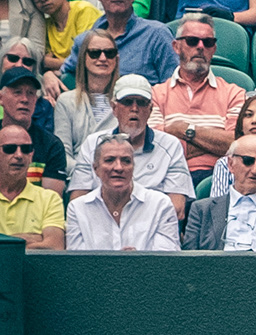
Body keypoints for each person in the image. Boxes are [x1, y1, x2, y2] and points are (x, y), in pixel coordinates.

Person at [69, 71, 192, 217]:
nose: (134, 108)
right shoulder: (92, 144)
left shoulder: (171, 145)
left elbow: (176, 208)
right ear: (114, 108)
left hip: (152, 230)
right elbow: (78, 201)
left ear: (150, 109)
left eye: (141, 102)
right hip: (101, 226)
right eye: (127, 102)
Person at [150, 13, 244, 179]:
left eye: (207, 42)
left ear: (214, 49)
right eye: (192, 41)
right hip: (168, 177)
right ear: (176, 46)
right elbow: (157, 148)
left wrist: (183, 129)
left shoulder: (234, 93)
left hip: (219, 178)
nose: (200, 47)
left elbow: (237, 145)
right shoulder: (156, 94)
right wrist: (214, 143)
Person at [180, 134, 256, 250]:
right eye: (248, 161)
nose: (255, 170)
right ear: (230, 164)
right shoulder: (201, 210)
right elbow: (190, 261)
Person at [66, 0, 176, 85]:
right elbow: (66, 73)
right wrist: (49, 76)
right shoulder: (85, 41)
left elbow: (174, 85)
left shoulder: (157, 35)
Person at [65, 135, 181, 251]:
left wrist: (136, 262)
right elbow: (77, 263)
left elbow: (167, 261)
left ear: (133, 168)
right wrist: (121, 262)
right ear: (96, 169)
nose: (119, 168)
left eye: (126, 161)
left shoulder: (160, 205)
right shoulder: (78, 209)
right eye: (109, 160)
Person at [48, 20, 117, 154]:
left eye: (109, 53)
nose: (103, 58)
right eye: (95, 53)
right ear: (83, 58)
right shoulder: (65, 101)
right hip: (78, 172)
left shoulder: (126, 100)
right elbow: (63, 153)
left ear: (116, 58)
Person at [0, 117, 62, 248]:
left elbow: (54, 247)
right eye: (9, 148)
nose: (19, 155)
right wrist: (24, 240)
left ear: (32, 154)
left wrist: (4, 243)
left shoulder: (50, 199)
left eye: (26, 149)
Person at [0, 59, 60, 192]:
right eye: (17, 92)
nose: (24, 99)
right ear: (1, 98)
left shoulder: (51, 145)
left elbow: (52, 199)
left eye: (31, 93)